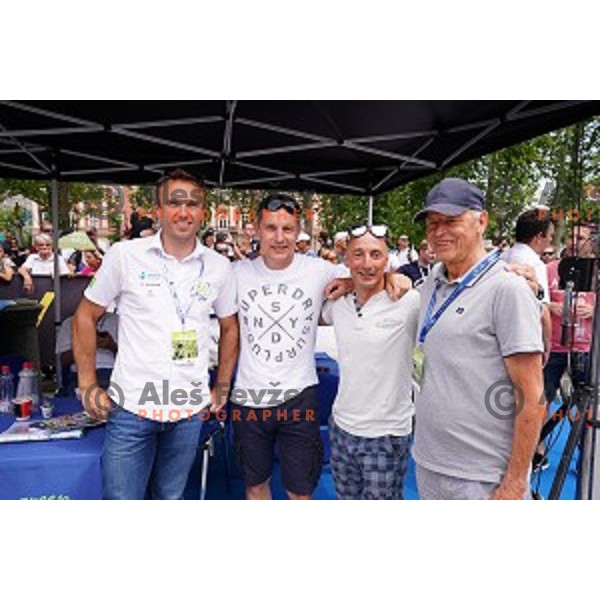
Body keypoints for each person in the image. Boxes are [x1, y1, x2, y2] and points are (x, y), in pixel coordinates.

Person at [73, 169, 239, 500]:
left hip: (188, 411)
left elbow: (229, 326)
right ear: (159, 210)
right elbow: (84, 316)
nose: (184, 212)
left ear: (203, 212)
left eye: (193, 204)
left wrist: (221, 385)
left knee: (169, 501)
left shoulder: (219, 266)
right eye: (174, 203)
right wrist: (88, 383)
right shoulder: (126, 255)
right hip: (132, 408)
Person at [231, 193, 410, 500]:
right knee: (254, 485)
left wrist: (392, 276)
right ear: (256, 230)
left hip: (299, 396)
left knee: (301, 491)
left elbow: (364, 271)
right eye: (271, 228)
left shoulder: (319, 270)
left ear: (298, 230)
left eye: (287, 229)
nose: (279, 237)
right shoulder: (234, 274)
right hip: (250, 396)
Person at [412, 177, 545, 500]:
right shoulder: (432, 283)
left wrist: (514, 482)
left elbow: (533, 397)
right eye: (432, 223)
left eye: (451, 221)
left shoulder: (507, 288)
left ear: (481, 221)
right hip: (429, 463)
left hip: (482, 477)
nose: (439, 231)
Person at [321, 224, 420, 499]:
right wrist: (350, 283)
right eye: (358, 255)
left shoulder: (410, 301)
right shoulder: (336, 305)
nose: (367, 263)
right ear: (346, 260)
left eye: (376, 255)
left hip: (386, 435)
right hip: (341, 428)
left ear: (387, 260)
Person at [502, 208, 554, 363]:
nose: (551, 240)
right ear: (539, 237)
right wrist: (547, 345)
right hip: (524, 342)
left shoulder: (501, 258)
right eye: (550, 236)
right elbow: (543, 310)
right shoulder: (534, 265)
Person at [57, 312, 118, 394]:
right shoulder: (70, 323)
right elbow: (64, 360)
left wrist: (110, 345)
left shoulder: (118, 321)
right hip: (80, 372)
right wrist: (86, 345)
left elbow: (130, 358)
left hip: (111, 372)